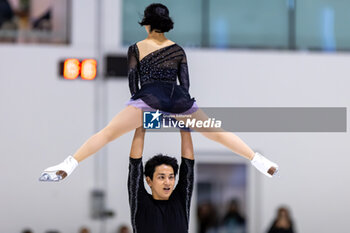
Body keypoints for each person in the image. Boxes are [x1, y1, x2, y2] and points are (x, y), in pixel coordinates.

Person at [39, 3, 278, 182]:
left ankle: (69, 164)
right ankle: (257, 159)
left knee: (108, 133)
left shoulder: (137, 48)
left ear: (147, 24)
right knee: (216, 133)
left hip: (150, 97)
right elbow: (185, 84)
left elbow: (134, 83)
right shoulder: (178, 50)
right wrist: (178, 111)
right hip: (178, 99)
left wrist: (144, 110)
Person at [128, 127, 194, 233]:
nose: (167, 182)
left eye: (171, 177)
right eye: (161, 177)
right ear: (149, 181)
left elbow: (188, 165)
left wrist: (184, 125)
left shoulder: (181, 201)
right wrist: (141, 123)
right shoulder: (140, 203)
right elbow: (135, 164)